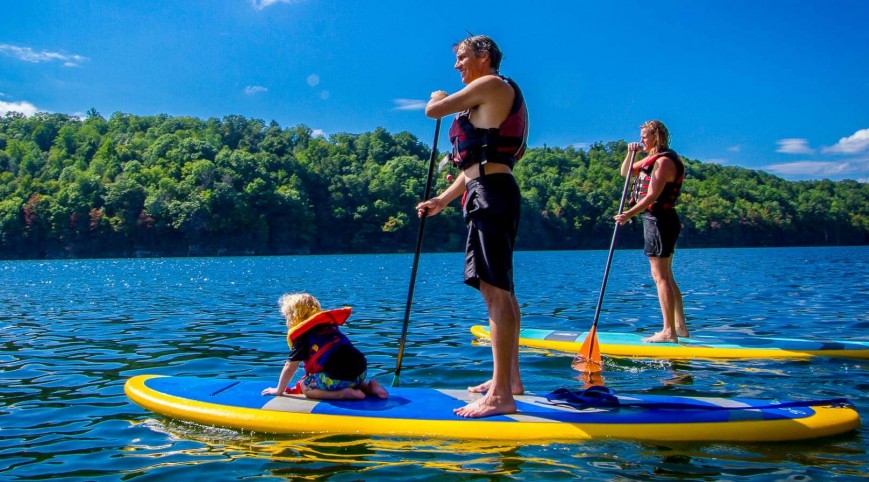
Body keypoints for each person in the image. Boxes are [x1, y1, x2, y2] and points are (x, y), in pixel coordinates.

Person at [416, 35, 528, 418]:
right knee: (495, 289)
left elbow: (435, 111)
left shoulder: (493, 84)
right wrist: (442, 201)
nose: (456, 66)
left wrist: (435, 97)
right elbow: (474, 165)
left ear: (483, 56)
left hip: (492, 195)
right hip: (485, 190)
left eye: (461, 58)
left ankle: (500, 396)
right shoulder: (485, 97)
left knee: (497, 290)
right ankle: (509, 381)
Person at [614, 120, 688, 343]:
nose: (642, 140)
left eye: (645, 137)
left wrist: (628, 214)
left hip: (659, 220)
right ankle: (680, 328)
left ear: (656, 137)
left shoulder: (664, 162)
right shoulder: (650, 160)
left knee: (660, 277)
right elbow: (625, 173)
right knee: (666, 276)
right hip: (658, 221)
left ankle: (669, 331)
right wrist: (631, 153)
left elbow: (652, 196)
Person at [261, 293, 388, 400]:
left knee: (306, 387)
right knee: (344, 375)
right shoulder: (329, 327)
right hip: (361, 373)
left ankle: (342, 394)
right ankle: (371, 387)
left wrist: (278, 390)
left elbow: (290, 367)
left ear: (294, 317)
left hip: (338, 378)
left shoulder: (302, 336)